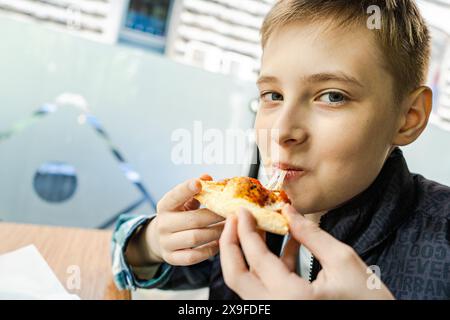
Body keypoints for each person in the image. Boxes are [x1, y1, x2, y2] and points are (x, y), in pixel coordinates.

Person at [112, 0, 450, 299]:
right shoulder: (253, 203)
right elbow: (129, 253)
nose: (282, 131)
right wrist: (153, 242)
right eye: (273, 95)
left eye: (332, 96)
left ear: (408, 117)